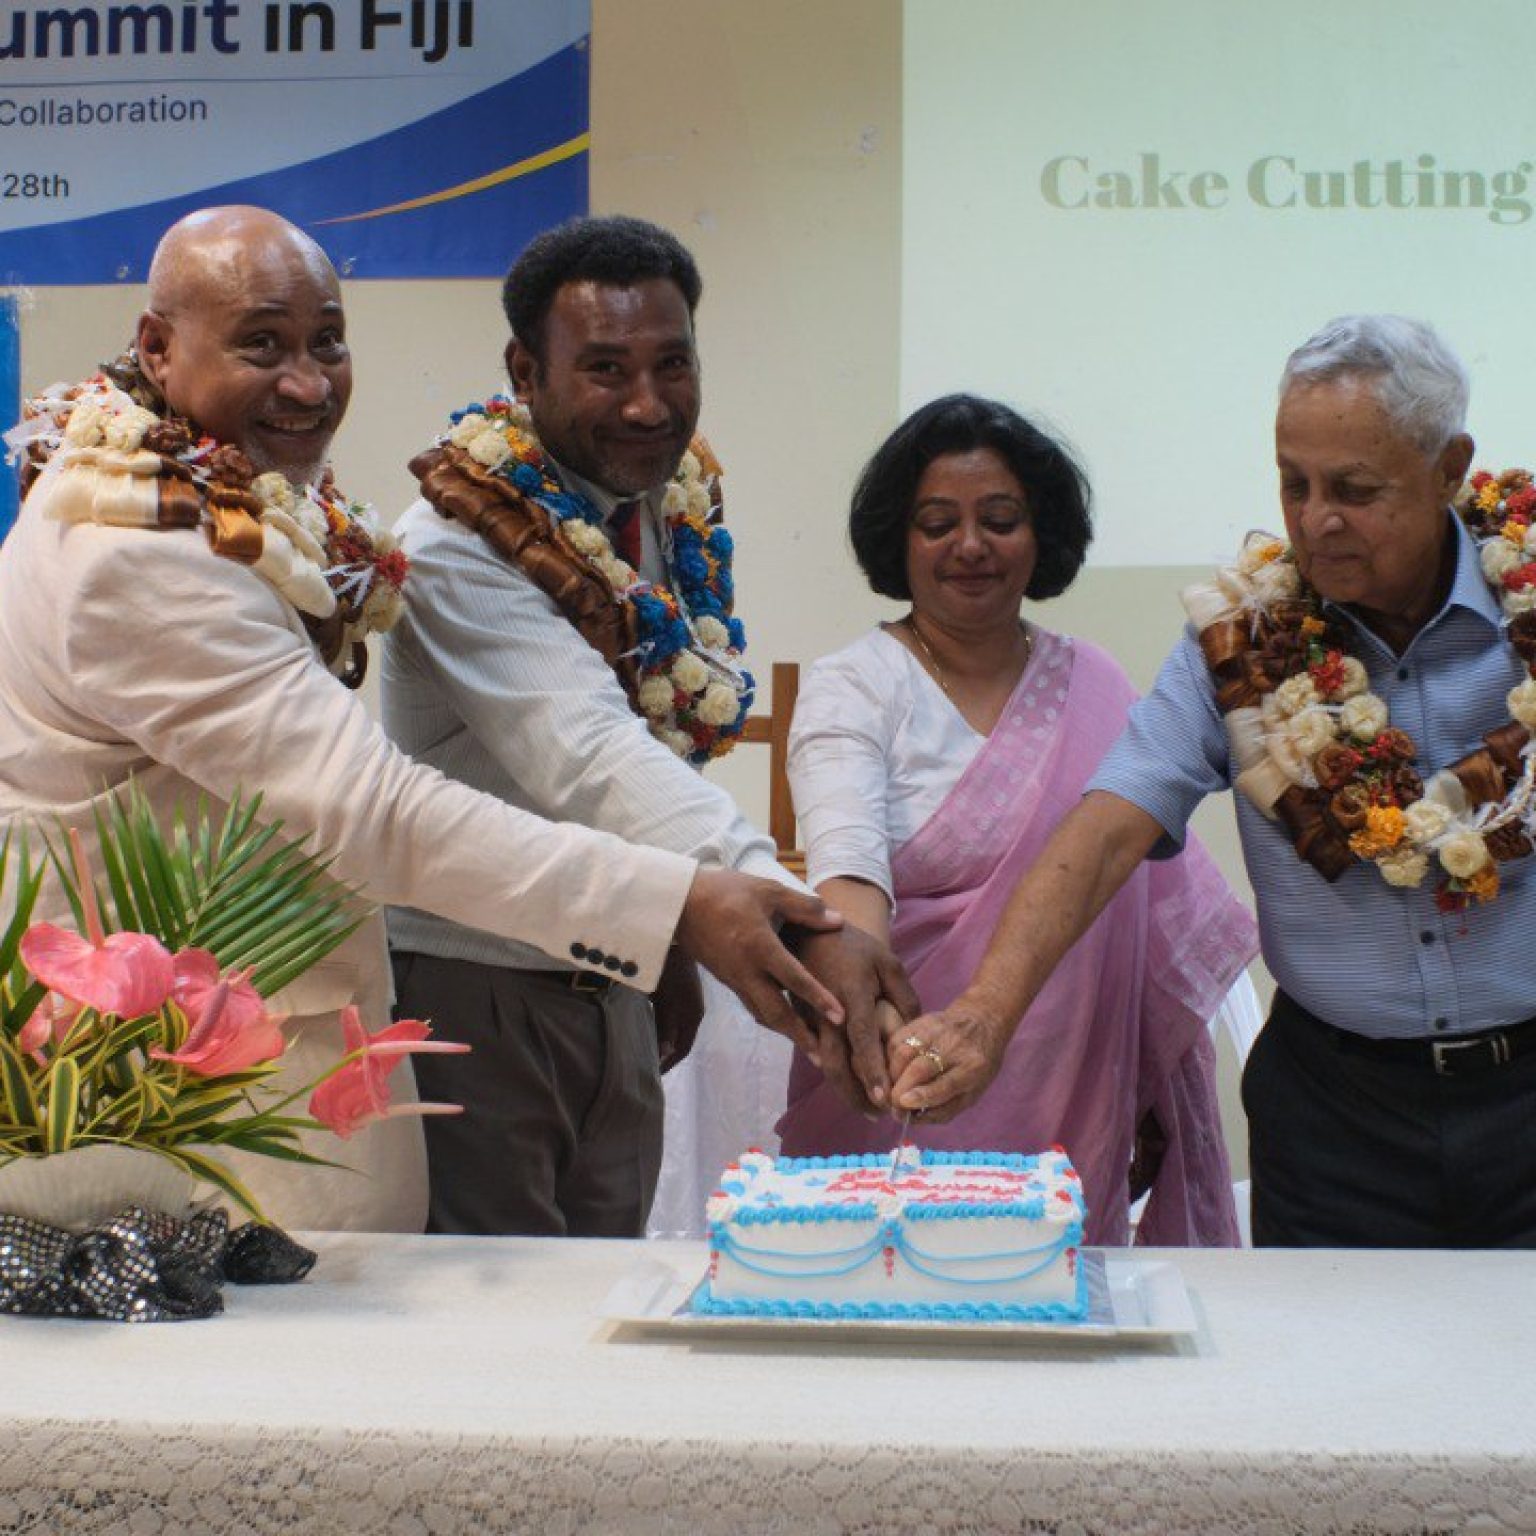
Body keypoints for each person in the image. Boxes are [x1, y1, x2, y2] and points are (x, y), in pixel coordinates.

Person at [0, 205, 876, 1234]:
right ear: (157, 347)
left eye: (328, 341)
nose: (308, 382)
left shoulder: (232, 497)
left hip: (307, 1028)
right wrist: (687, 905)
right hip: (179, 1080)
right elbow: (384, 809)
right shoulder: (139, 555)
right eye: (262, 345)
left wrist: (692, 922)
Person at [893, 317, 1536, 1249]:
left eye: (1355, 489)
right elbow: (1108, 827)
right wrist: (985, 1016)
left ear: (1449, 469)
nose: (1315, 519)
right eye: (1294, 483)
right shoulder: (1241, 645)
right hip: (1337, 1121)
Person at [382, 214, 914, 1237]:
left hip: (619, 974)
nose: (647, 403)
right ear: (525, 371)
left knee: (606, 1292)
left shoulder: (664, 504)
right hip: (476, 990)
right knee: (491, 1319)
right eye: (606, 369)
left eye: (673, 364)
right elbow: (590, 753)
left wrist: (665, 946)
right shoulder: (454, 545)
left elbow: (660, 719)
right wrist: (796, 915)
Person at [777, 394, 1257, 1244]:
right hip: (895, 1074)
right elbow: (848, 870)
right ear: (898, 538)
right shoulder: (855, 684)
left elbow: (1141, 897)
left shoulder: (1095, 679)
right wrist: (868, 1002)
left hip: (1070, 1091)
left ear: (1043, 537)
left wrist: (1149, 1080)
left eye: (1000, 520)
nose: (970, 546)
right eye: (938, 523)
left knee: (1049, 1303)